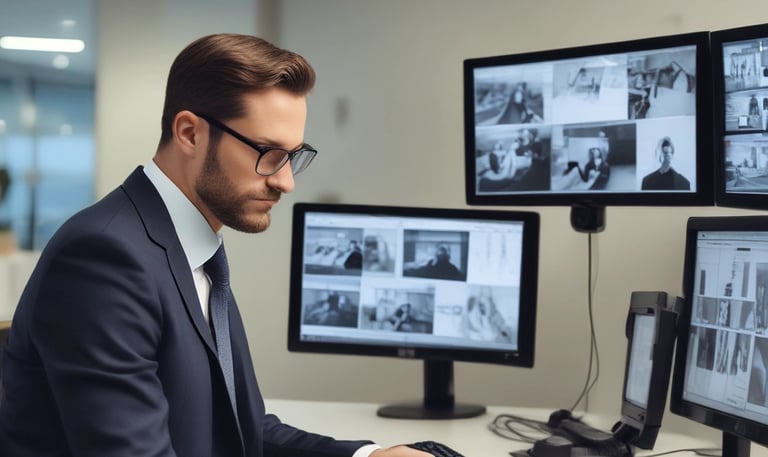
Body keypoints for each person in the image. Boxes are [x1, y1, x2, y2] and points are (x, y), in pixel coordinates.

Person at [0, 34, 431, 457]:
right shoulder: (104, 258)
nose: (286, 181)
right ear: (190, 133)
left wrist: (369, 456)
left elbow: (235, 425)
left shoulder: (192, 249)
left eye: (293, 156)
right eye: (268, 152)